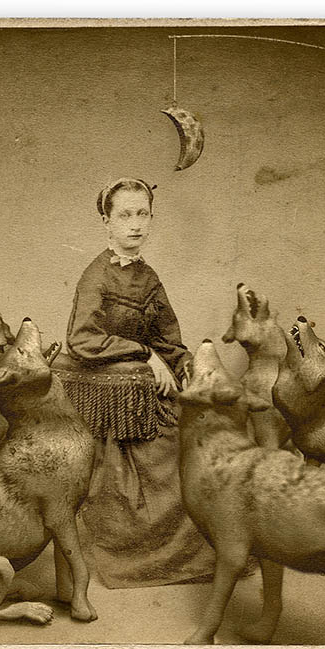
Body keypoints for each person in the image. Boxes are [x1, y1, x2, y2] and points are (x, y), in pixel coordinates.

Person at [65, 177, 214, 588]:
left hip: (146, 384)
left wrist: (192, 368)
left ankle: (191, 554)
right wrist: (144, 354)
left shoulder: (148, 276)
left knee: (200, 432)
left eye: (143, 214)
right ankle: (138, 558)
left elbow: (169, 340)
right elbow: (81, 340)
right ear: (106, 222)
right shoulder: (96, 275)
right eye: (125, 215)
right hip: (108, 390)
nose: (135, 224)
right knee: (161, 456)